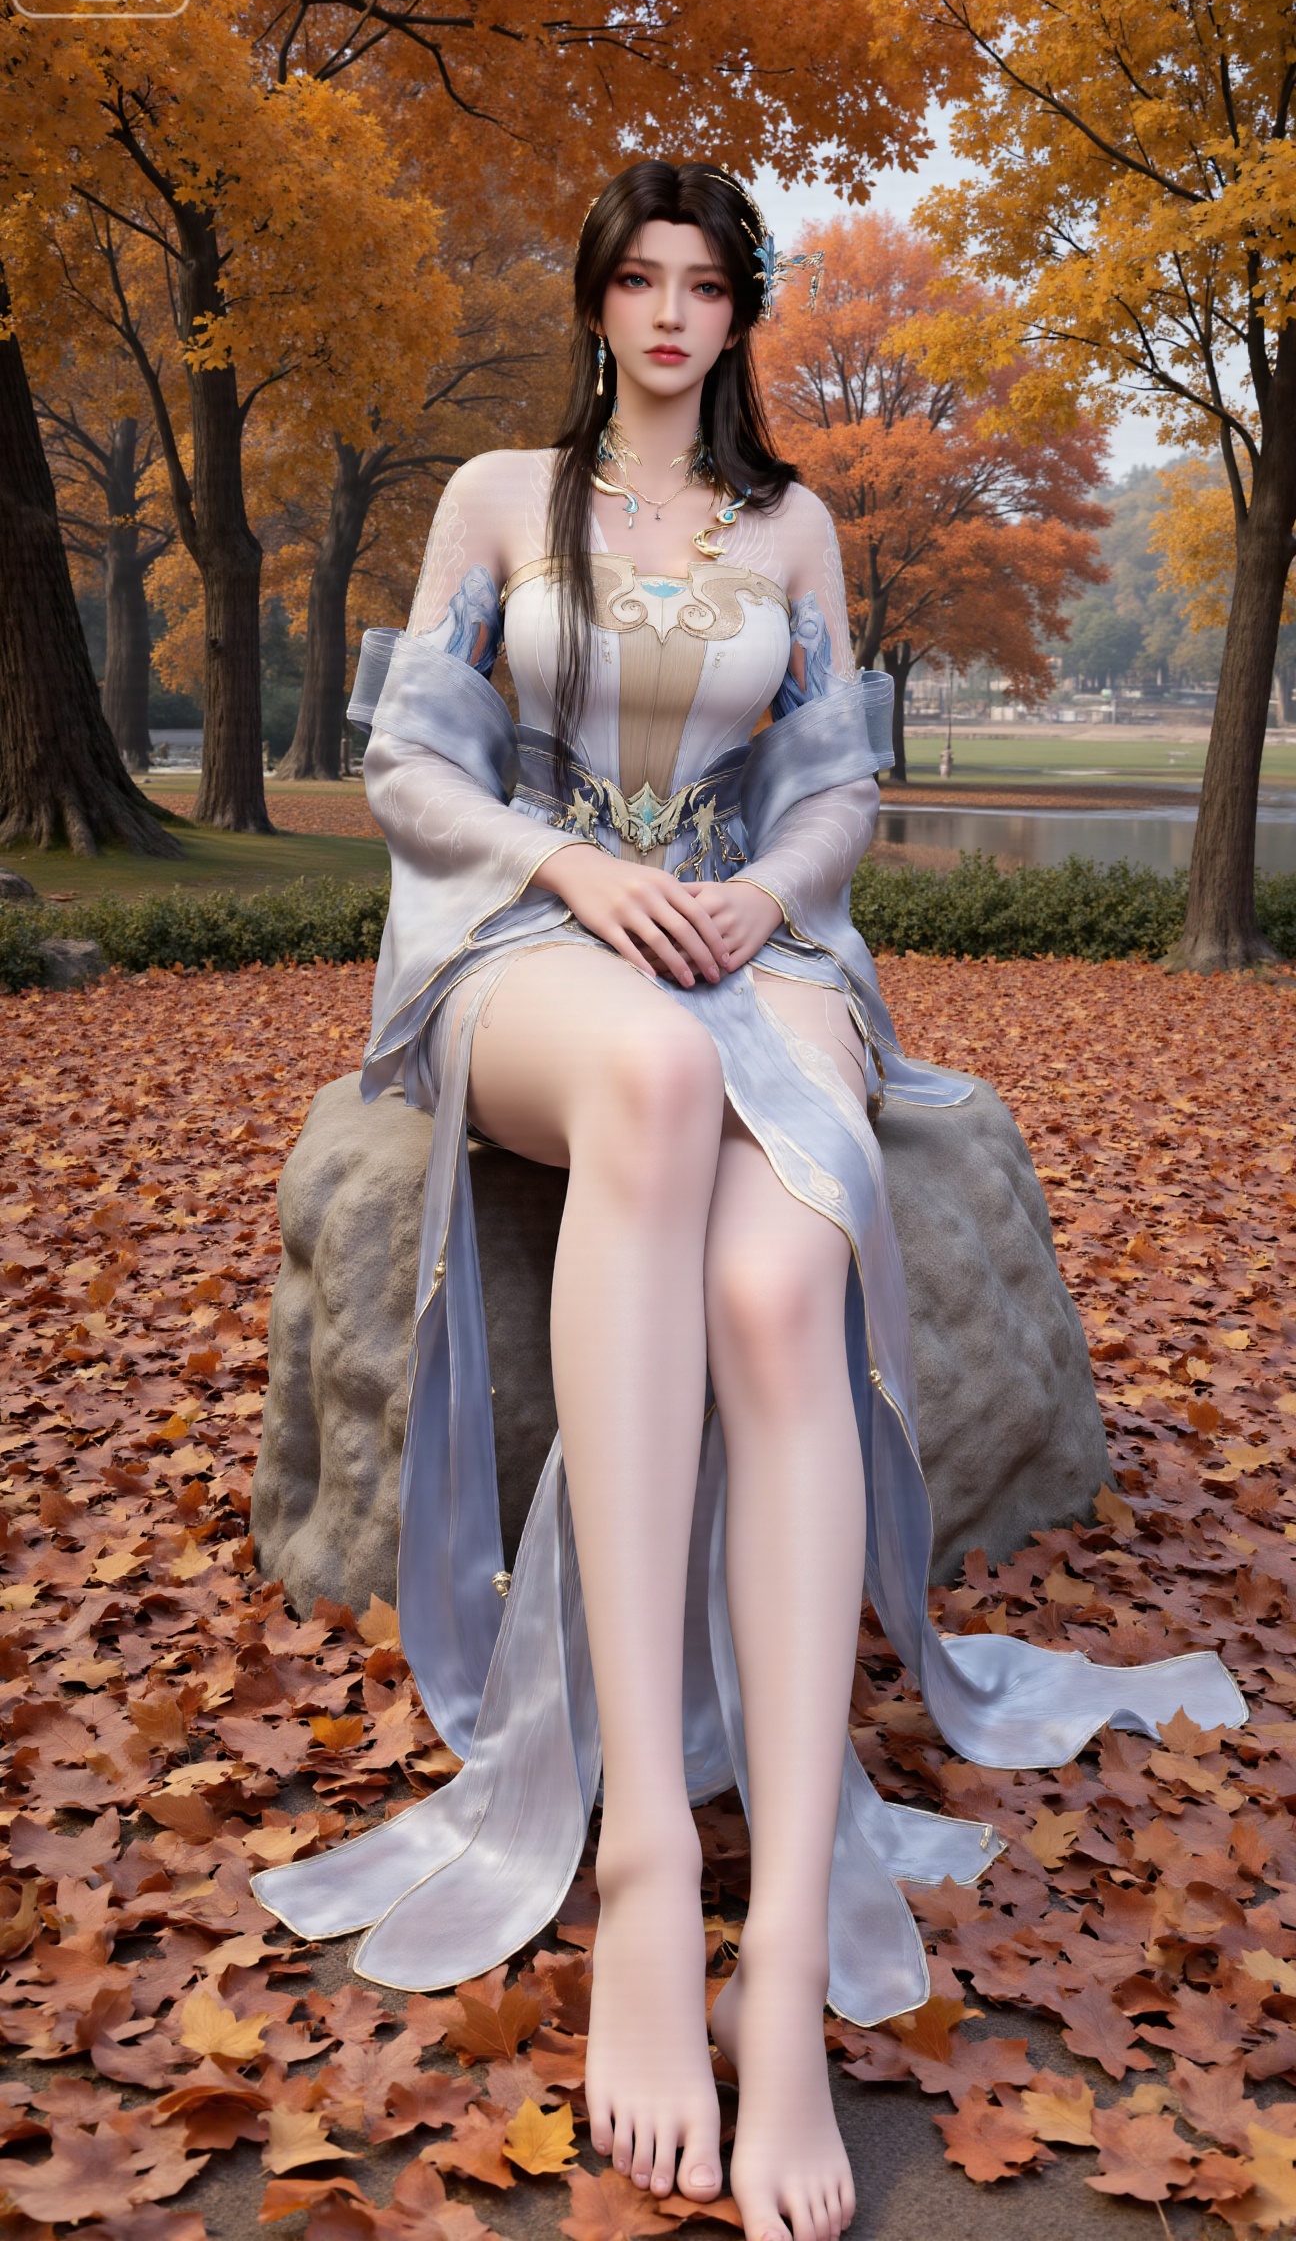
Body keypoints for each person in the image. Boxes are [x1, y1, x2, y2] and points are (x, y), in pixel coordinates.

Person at [253, 161, 1245, 2241]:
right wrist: (578, 875)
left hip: (758, 948)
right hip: (526, 947)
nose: (675, 317)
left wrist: (758, 900)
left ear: (743, 311)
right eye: (642, 281)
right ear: (597, 304)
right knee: (644, 1070)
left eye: (711, 285)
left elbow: (835, 791)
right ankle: (633, 1877)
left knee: (788, 1301)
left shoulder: (792, 527)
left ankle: (778, 1955)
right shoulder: (499, 502)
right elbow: (419, 765)